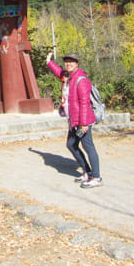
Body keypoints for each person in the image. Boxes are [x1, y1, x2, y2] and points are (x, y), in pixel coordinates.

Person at [46, 52, 102, 188]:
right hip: (74, 121)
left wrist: (83, 123)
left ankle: (96, 177)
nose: (68, 64)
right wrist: (49, 62)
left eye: (71, 61)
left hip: (82, 120)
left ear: (77, 64)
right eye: (66, 61)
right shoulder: (69, 78)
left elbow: (84, 103)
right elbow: (59, 72)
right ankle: (87, 172)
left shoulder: (81, 80)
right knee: (71, 144)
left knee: (88, 147)